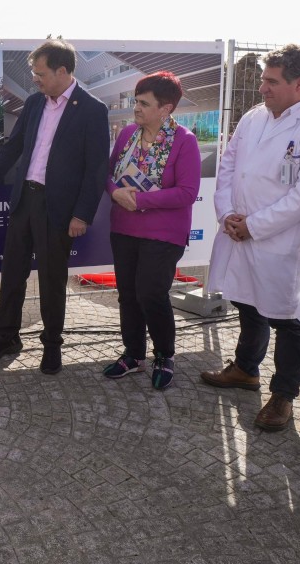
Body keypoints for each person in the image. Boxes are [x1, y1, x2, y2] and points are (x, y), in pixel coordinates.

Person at [202, 44, 300, 431]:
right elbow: (229, 165)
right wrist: (227, 213)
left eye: (271, 82)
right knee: (247, 302)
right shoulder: (253, 118)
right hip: (238, 229)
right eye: (263, 80)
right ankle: (246, 369)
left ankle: (284, 395)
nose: (262, 88)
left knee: (287, 317)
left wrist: (255, 225)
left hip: (280, 241)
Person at [0, 38, 110, 374]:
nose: (35, 79)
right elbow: (13, 148)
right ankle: (6, 338)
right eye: (34, 73)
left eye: (40, 73)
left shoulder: (92, 109)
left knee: (51, 279)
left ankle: (52, 345)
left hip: (57, 208)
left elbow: (96, 168)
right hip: (24, 201)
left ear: (62, 71)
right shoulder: (34, 103)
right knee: (12, 274)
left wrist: (82, 214)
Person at [101, 72, 201, 389]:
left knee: (150, 293)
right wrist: (115, 192)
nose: (136, 108)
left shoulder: (184, 140)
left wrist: (140, 200)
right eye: (136, 101)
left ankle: (164, 355)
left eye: (144, 103)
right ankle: (133, 355)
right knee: (128, 295)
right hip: (124, 227)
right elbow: (107, 174)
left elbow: (187, 192)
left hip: (163, 232)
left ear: (165, 108)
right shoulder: (127, 134)